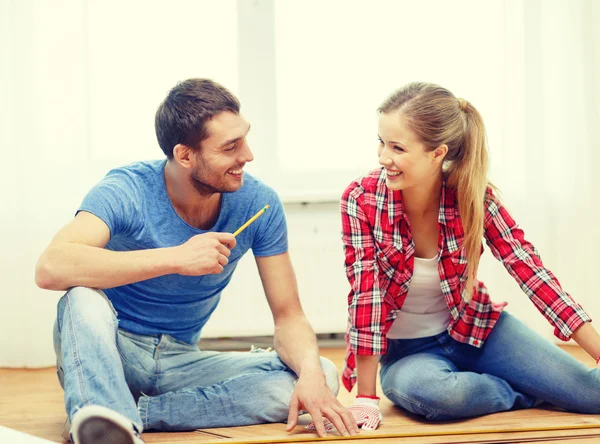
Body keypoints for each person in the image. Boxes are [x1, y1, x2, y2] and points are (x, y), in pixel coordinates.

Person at [35, 78, 358, 444]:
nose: (248, 156)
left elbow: (289, 316)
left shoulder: (259, 203)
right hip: (111, 351)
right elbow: (50, 267)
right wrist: (176, 258)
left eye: (245, 139)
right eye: (231, 147)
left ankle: (125, 418)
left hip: (180, 361)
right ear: (185, 155)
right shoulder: (126, 190)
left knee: (322, 376)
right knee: (80, 296)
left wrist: (310, 372)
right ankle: (105, 412)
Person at [337, 82, 600, 429]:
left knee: (592, 397)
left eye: (398, 148)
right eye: (381, 142)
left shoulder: (474, 198)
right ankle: (518, 392)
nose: (384, 157)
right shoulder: (361, 199)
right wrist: (366, 398)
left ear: (437, 153)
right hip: (409, 353)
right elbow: (366, 296)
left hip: (477, 328)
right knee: (428, 394)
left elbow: (530, 271)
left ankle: (519, 379)